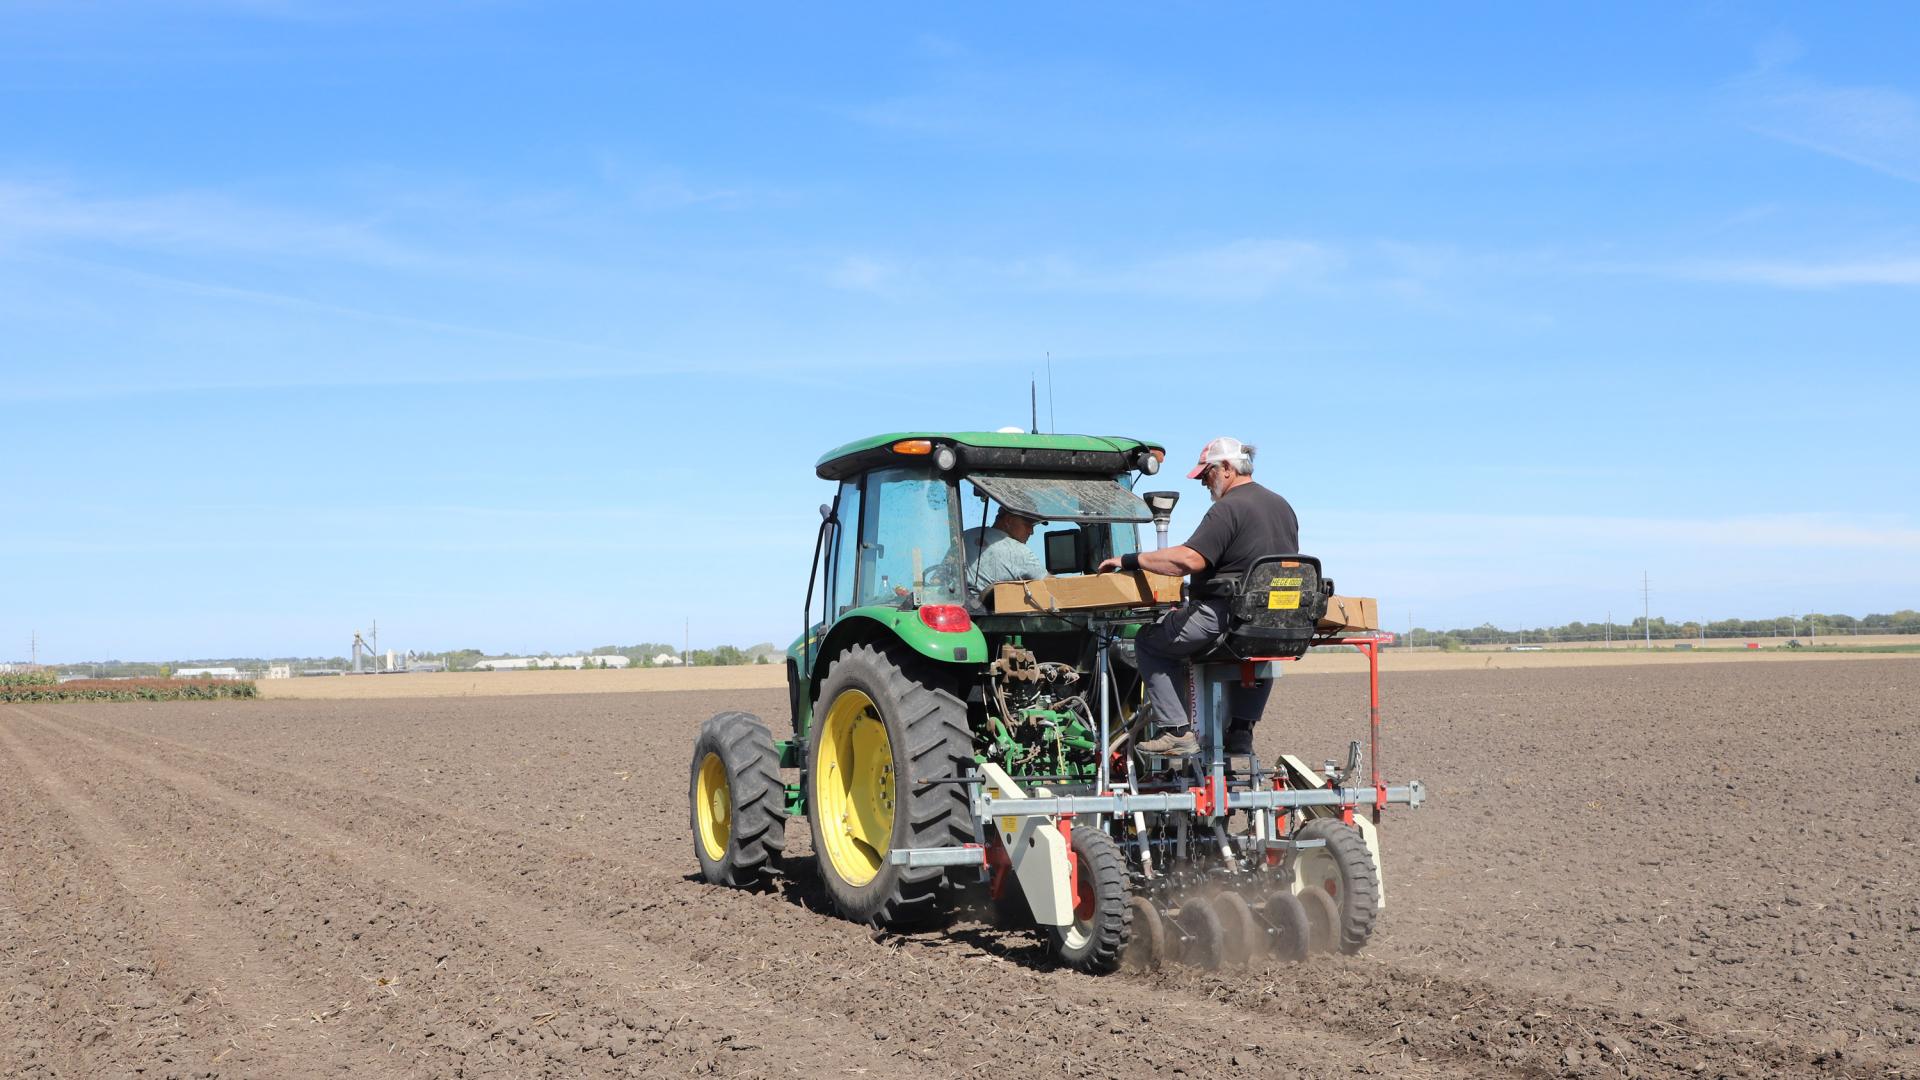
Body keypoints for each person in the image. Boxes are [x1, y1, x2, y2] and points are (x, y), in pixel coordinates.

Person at [1096, 436, 1298, 757]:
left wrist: (1130, 560)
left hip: (1225, 616)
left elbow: (1189, 560)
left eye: (1207, 474)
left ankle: (1176, 731)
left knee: (1149, 640)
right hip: (1275, 619)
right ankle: (1241, 733)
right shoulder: (1281, 506)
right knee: (1262, 646)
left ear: (1228, 469)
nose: (1205, 483)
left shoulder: (1229, 508)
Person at [961, 507, 1047, 592]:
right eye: (1028, 525)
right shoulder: (1020, 551)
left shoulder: (963, 537)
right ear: (1008, 521)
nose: (1031, 532)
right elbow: (1051, 585)